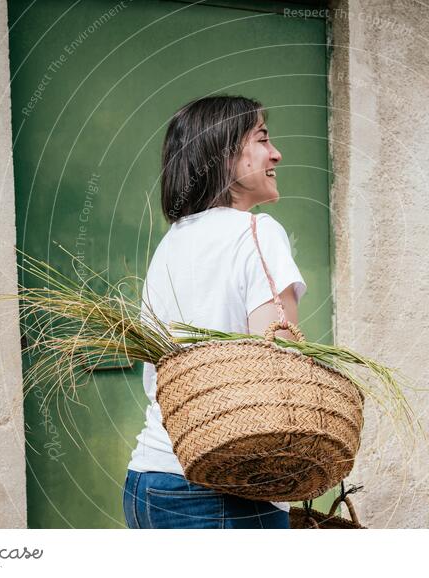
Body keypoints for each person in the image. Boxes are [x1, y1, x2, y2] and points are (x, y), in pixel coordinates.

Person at [122, 95, 307, 529]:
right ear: (224, 154)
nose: (276, 152)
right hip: (224, 490)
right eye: (262, 138)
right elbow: (276, 363)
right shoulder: (258, 231)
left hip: (149, 478)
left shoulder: (173, 241)